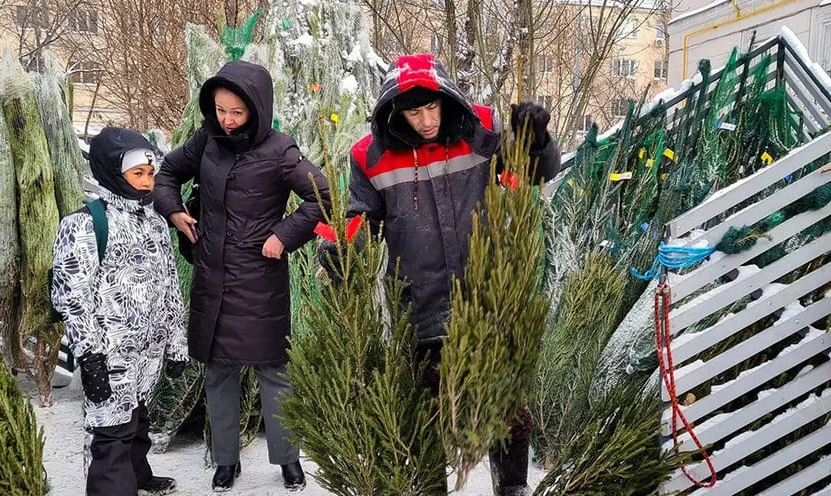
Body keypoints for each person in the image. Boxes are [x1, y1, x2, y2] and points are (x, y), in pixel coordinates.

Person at [322, 53, 560, 496]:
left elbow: (534, 171)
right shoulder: (369, 156)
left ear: (446, 99)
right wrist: (340, 248)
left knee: (506, 407)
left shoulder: (482, 130)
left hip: (488, 298)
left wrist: (536, 138)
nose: (427, 120)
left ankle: (513, 488)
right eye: (414, 112)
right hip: (421, 303)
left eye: (432, 108)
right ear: (396, 111)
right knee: (426, 416)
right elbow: (360, 218)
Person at [153, 60, 331, 493]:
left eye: (237, 112)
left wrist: (284, 236)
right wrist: (174, 210)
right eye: (220, 110)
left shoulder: (280, 149)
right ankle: (226, 462)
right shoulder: (206, 140)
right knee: (218, 371)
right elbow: (167, 175)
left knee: (274, 371)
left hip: (260, 280)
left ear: (257, 107)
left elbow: (321, 195)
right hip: (212, 275)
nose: (227, 121)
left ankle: (288, 461)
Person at [50, 126, 188, 496]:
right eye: (137, 174)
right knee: (112, 430)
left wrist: (176, 344)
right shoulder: (85, 224)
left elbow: (169, 285)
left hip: (148, 349)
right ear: (113, 172)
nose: (146, 183)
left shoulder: (156, 222)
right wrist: (89, 355)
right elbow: (72, 296)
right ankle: (112, 487)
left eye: (150, 174)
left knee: (138, 417)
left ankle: (138, 475)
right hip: (110, 352)